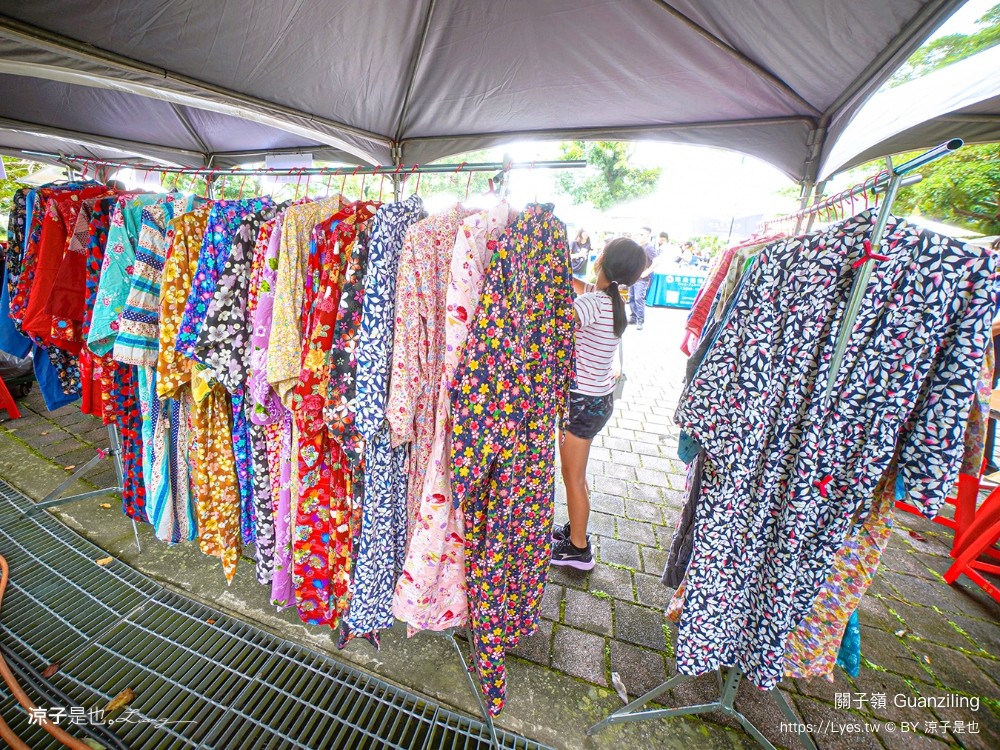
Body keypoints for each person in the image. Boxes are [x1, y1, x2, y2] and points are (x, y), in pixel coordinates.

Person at [551, 237, 648, 569]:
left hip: (581, 403)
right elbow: (582, 287)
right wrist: (561, 274)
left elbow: (557, 323)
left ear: (602, 259)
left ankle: (578, 550)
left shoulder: (592, 304)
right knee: (577, 474)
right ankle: (574, 531)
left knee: (572, 477)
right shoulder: (610, 299)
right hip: (596, 400)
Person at [628, 226, 658, 330]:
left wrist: (647, 272)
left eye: (641, 234)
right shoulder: (636, 246)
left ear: (647, 236)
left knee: (638, 298)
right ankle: (633, 316)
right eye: (638, 234)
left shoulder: (649, 247)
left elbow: (657, 261)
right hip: (632, 277)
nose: (639, 236)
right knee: (631, 297)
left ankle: (640, 319)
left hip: (641, 279)